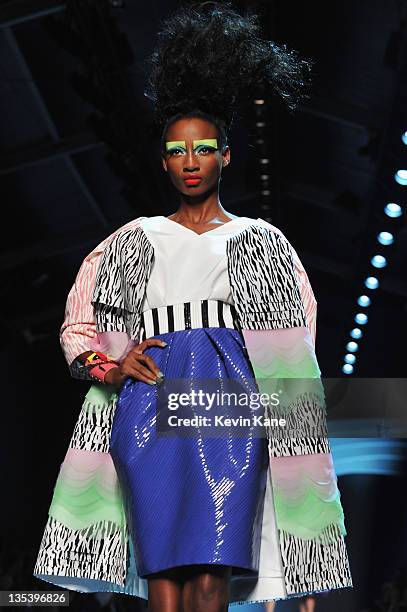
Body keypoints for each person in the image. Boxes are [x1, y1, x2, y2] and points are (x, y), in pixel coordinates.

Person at [33, 2, 352, 610]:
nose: (190, 162)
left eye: (203, 148)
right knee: (163, 577)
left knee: (213, 574)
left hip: (231, 407)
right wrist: (111, 367)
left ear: (225, 156)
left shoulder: (261, 241)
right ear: (164, 160)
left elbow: (296, 345)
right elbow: (78, 323)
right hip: (148, 407)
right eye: (177, 151)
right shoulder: (130, 242)